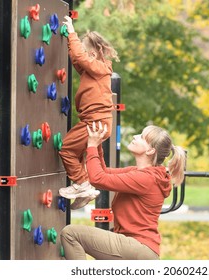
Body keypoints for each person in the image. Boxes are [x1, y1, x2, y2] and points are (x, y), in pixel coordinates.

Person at [60, 122, 186, 260]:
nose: (135, 136)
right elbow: (103, 173)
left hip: (137, 247)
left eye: (142, 137)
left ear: (150, 151)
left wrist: (91, 146)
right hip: (138, 249)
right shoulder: (140, 172)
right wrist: (99, 144)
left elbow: (97, 179)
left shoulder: (146, 179)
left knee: (70, 233)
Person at [58, 16, 119, 210]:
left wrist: (72, 33)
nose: (82, 54)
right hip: (96, 122)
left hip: (95, 123)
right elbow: (78, 59)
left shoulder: (100, 68)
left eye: (85, 50)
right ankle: (84, 190)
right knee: (76, 153)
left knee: (66, 149)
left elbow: (81, 58)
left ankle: (82, 184)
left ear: (92, 53)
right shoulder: (92, 70)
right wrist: (69, 40)